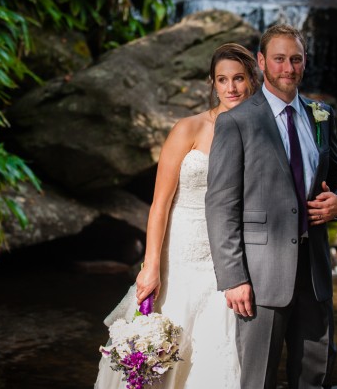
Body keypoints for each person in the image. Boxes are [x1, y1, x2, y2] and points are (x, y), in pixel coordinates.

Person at [94, 43, 260, 389]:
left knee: (218, 351)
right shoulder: (189, 128)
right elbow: (160, 203)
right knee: (164, 344)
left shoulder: (261, 134)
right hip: (180, 253)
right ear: (212, 84)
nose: (231, 88)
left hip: (225, 259)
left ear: (253, 80)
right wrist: (150, 265)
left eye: (239, 78)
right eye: (222, 79)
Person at [205, 24, 337, 389]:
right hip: (260, 277)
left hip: (315, 274)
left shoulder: (322, 116)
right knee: (258, 380)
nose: (288, 67)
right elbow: (221, 206)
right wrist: (234, 278)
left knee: (315, 376)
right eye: (279, 59)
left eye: (296, 59)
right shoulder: (236, 122)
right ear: (261, 62)